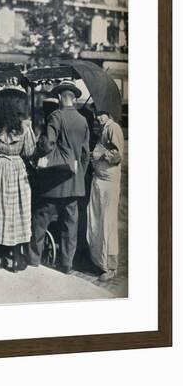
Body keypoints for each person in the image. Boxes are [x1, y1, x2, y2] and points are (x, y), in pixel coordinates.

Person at [29, 80, 90, 274]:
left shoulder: (56, 115)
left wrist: (38, 150)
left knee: (40, 219)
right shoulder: (83, 120)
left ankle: (33, 259)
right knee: (70, 226)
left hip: (53, 183)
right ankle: (66, 265)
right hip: (74, 183)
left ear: (60, 97)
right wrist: (78, 172)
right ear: (73, 98)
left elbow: (47, 145)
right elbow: (85, 154)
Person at [0, 81, 38, 272]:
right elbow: (29, 151)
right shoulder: (24, 127)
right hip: (16, 168)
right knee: (17, 211)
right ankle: (18, 258)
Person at [87, 111, 124, 281]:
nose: (98, 117)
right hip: (99, 179)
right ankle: (99, 261)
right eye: (96, 114)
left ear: (108, 114)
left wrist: (101, 155)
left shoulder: (113, 127)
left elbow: (117, 155)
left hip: (109, 181)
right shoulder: (102, 129)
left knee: (107, 222)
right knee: (96, 220)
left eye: (101, 114)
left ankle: (110, 266)